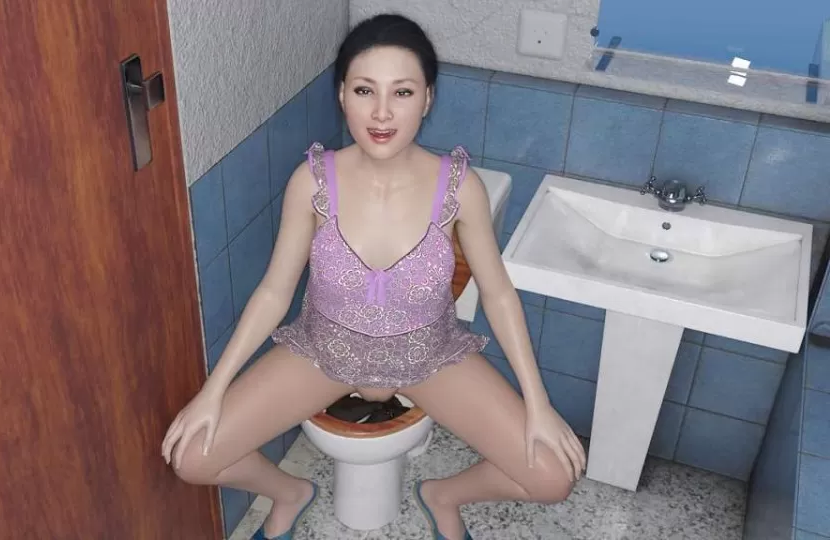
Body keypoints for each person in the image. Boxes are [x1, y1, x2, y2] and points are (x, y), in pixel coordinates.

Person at [162, 13, 586, 540]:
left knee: (553, 477)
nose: (382, 112)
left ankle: (444, 495)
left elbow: (498, 294)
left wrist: (538, 403)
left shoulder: (461, 188)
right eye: (365, 90)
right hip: (324, 352)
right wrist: (213, 391)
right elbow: (273, 291)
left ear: (427, 99)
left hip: (429, 356)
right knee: (192, 457)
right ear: (343, 95)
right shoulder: (311, 182)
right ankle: (289, 492)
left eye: (402, 92)